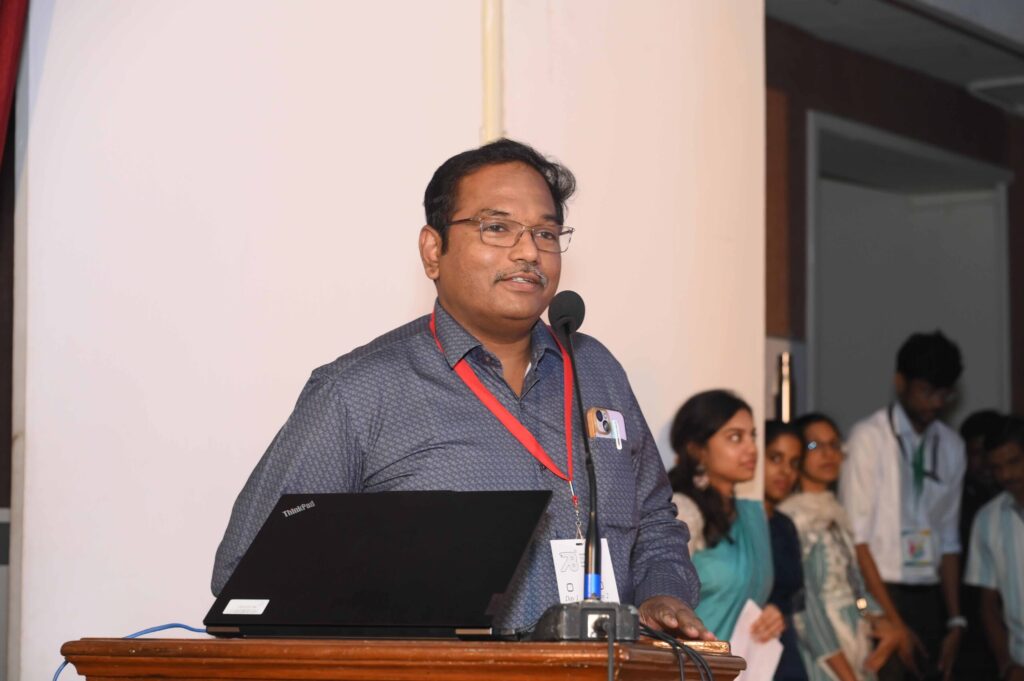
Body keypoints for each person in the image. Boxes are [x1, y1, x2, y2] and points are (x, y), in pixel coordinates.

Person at [211, 138, 709, 639]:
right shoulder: (358, 392)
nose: (529, 252)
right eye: (497, 227)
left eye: (546, 233)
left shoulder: (596, 371)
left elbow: (655, 523)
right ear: (433, 251)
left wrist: (661, 593)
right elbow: (247, 573)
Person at [839, 331, 967, 680]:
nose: (935, 403)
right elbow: (857, 539)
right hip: (881, 591)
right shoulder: (868, 438)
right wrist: (895, 622)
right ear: (901, 382)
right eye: (927, 391)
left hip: (930, 594)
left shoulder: (951, 446)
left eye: (944, 393)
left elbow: (950, 540)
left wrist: (955, 619)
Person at [781, 414, 914, 681]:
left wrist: (876, 617)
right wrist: (846, 675)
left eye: (834, 444)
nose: (828, 454)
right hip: (823, 653)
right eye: (814, 446)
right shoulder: (794, 519)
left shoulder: (835, 512)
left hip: (855, 639)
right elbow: (806, 608)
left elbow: (855, 587)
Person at [668, 390, 780, 641]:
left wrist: (770, 616)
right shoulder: (682, 511)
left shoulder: (753, 515)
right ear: (697, 450)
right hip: (689, 660)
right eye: (735, 437)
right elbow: (661, 600)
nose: (752, 449)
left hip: (741, 661)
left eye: (753, 436)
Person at [964, 414, 1024, 681]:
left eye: (1014, 462)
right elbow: (988, 604)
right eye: (997, 467)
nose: (1007, 475)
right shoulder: (988, 519)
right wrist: (1006, 664)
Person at [955, 409, 1003, 679]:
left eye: (990, 453)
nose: (985, 463)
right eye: (976, 454)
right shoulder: (956, 503)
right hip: (971, 627)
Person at [763, 420, 809, 681]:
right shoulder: (734, 522)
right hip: (746, 643)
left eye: (794, 463)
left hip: (784, 645)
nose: (786, 472)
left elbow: (795, 597)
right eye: (775, 458)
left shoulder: (784, 525)